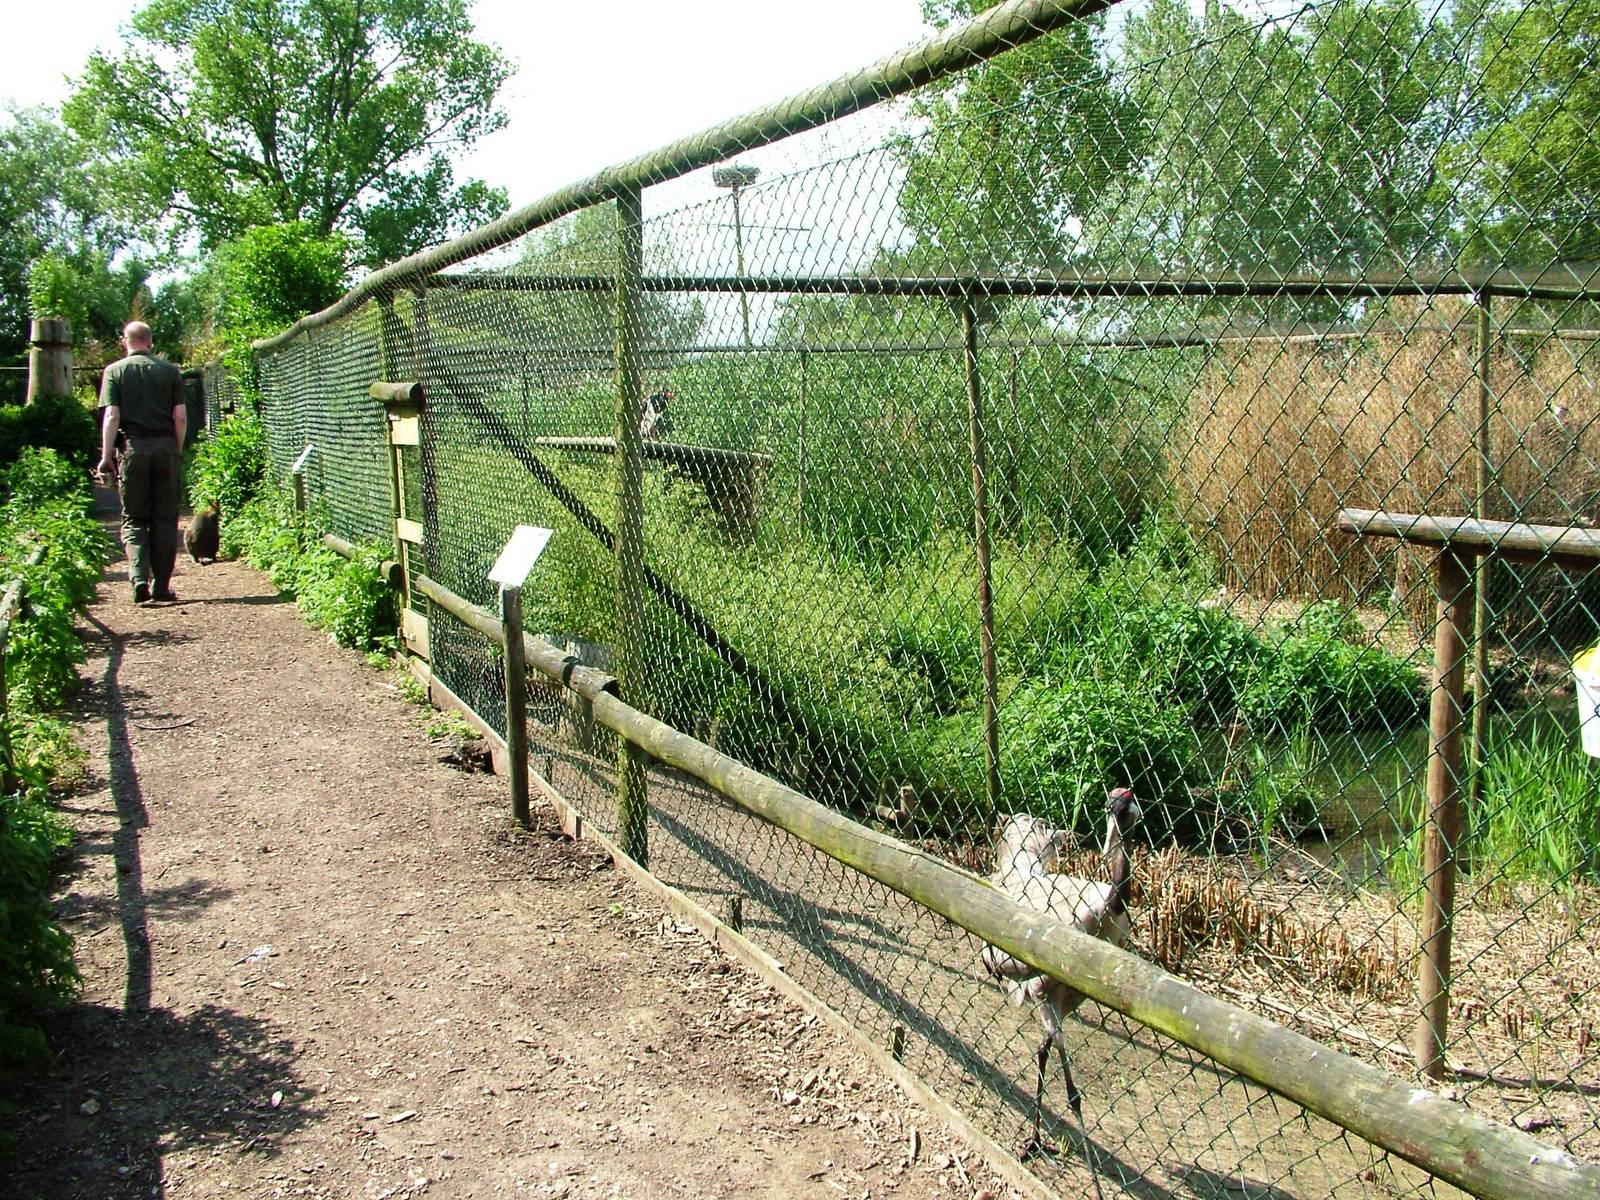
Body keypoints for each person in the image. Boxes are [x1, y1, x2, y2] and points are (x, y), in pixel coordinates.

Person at [97, 321, 187, 604]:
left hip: (133, 448)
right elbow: (180, 417)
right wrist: (177, 449)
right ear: (149, 341)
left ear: (125, 341)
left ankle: (138, 579)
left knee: (134, 518)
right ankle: (162, 585)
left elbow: (112, 416)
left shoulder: (114, 372)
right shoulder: (170, 371)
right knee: (164, 517)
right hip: (165, 448)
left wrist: (106, 456)